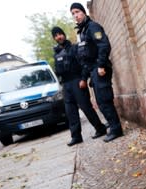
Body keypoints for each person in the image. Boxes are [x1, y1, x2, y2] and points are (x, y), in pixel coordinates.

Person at [70, 3, 124, 143]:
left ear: (83, 12)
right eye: (73, 13)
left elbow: (104, 45)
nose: (76, 15)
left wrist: (101, 65)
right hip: (93, 70)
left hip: (100, 68)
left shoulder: (92, 26)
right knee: (101, 101)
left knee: (105, 100)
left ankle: (116, 129)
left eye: (77, 12)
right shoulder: (83, 31)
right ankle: (113, 126)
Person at [52, 26, 107, 146]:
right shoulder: (56, 54)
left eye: (60, 34)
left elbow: (84, 64)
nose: (58, 37)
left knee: (86, 107)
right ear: (54, 38)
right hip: (66, 85)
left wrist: (83, 79)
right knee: (70, 112)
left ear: (64, 35)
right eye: (56, 35)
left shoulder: (74, 48)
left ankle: (100, 128)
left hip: (77, 81)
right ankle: (76, 136)